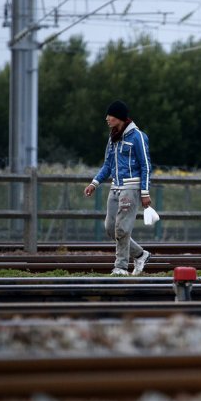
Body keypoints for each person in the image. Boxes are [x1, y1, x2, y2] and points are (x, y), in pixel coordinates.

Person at [83, 100, 153, 276]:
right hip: (115, 187)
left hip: (131, 187)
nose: (107, 118)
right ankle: (140, 254)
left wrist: (145, 192)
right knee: (110, 227)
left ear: (119, 117)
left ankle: (120, 267)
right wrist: (94, 183)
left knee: (122, 228)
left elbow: (145, 166)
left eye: (110, 115)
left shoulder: (138, 136)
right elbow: (107, 165)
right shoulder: (113, 137)